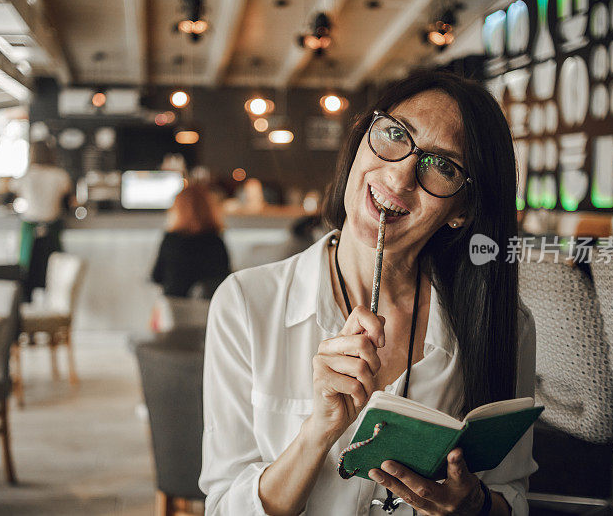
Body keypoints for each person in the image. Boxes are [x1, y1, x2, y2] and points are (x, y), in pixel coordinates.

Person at [200, 70, 537, 516]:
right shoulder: (245, 303)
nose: (399, 179)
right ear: (361, 139)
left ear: (464, 210)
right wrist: (317, 431)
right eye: (396, 135)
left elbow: (512, 496)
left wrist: (474, 506)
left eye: (444, 166)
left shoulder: (503, 324)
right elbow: (223, 508)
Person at [12, 140, 72, 301]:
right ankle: (51, 308)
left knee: (26, 273)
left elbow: (9, 197)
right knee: (53, 274)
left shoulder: (24, 177)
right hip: (52, 228)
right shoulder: (61, 176)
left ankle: (28, 307)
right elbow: (68, 204)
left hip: (30, 229)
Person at [151, 183, 230, 298]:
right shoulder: (215, 240)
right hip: (208, 309)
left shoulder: (171, 240)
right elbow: (224, 277)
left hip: (176, 309)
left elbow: (156, 276)